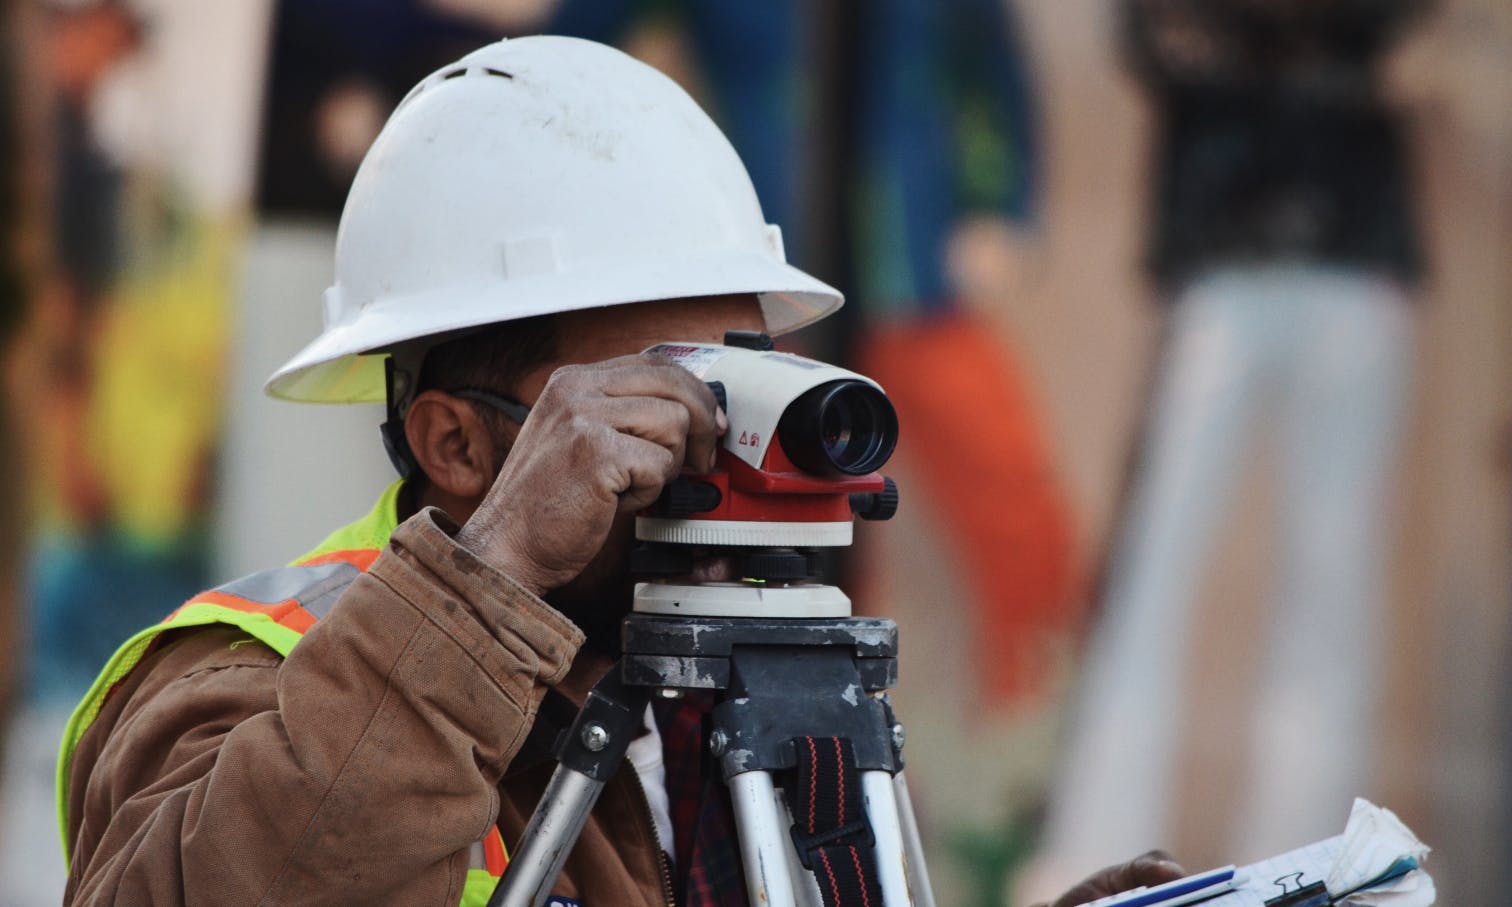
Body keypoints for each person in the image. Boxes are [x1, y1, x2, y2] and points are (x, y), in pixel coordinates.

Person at [57, 36, 1181, 906]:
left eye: (735, 377)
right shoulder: (242, 672)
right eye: (652, 395)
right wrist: (491, 575)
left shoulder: (728, 686)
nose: (713, 437)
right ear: (455, 443)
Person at [1031, 0, 1428, 882]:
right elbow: (1156, 39)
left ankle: (1310, 869)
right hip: (1220, 246)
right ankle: (1099, 856)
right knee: (1153, 569)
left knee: (1332, 584)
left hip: (1353, 247)